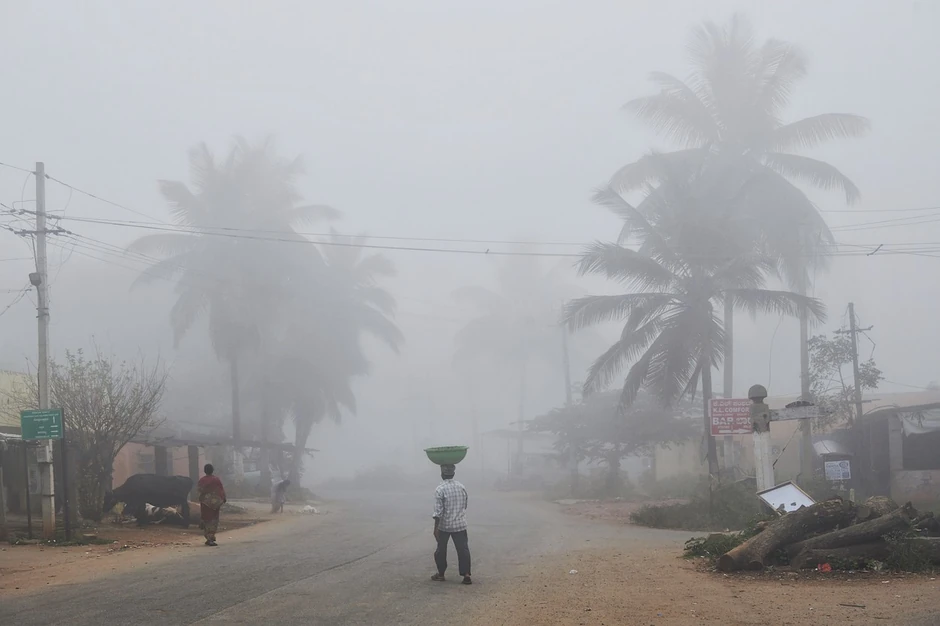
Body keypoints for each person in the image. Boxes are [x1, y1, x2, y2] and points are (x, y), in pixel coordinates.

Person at [431, 463, 471, 585]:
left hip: (445, 525)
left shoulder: (440, 489)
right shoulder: (461, 486)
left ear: (442, 474)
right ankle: (467, 575)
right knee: (463, 549)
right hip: (460, 525)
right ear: (453, 473)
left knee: (441, 550)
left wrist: (436, 528)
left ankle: (441, 574)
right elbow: (465, 505)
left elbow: (438, 511)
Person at [197, 463, 226, 546]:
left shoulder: (201, 480)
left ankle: (207, 537)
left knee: (206, 519)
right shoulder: (216, 479)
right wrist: (223, 499)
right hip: (215, 504)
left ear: (204, 471)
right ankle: (210, 538)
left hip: (205, 504)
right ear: (212, 470)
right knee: (213, 520)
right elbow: (221, 490)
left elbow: (199, 491)